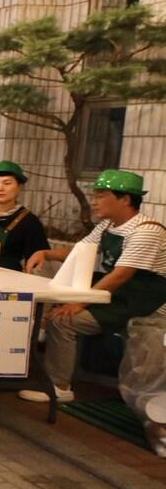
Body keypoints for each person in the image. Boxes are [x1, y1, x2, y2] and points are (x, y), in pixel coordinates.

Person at [20, 170, 166, 411]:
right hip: (119, 293)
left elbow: (121, 275)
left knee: (65, 320)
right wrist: (45, 253)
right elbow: (81, 252)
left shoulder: (146, 231)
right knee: (60, 300)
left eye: (101, 195)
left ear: (125, 200)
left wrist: (80, 303)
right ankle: (42, 334)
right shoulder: (109, 225)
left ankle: (59, 387)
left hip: (146, 302)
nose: (94, 201)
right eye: (94, 195)